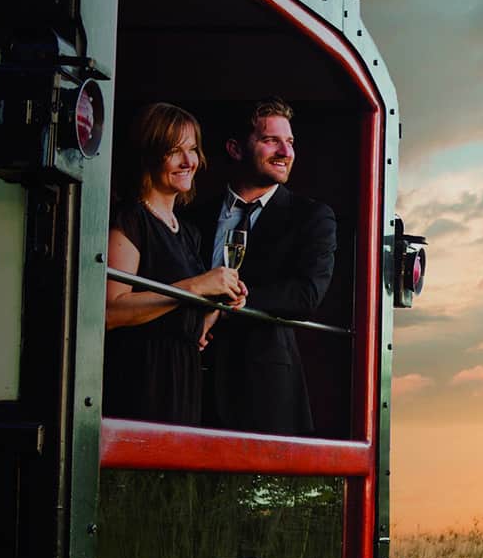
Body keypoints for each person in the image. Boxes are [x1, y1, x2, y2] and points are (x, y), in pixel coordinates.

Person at [193, 98, 337, 435]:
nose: (285, 152)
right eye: (271, 140)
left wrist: (226, 307)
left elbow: (307, 294)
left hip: (262, 389)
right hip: (187, 380)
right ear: (235, 148)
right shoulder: (193, 217)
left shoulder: (312, 217)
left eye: (289, 142)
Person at [103, 103, 246, 425]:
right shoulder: (129, 219)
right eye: (174, 151)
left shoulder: (188, 231)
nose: (188, 161)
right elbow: (110, 311)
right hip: (142, 376)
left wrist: (216, 305)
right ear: (150, 155)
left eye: (193, 149)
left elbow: (182, 314)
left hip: (183, 374)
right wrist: (196, 287)